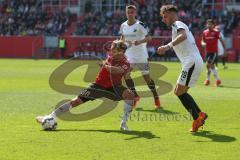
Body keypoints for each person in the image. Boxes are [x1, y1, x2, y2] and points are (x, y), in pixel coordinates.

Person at [36, 40, 135, 131]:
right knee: (76, 101)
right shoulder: (111, 57)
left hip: (114, 87)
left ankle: (123, 123)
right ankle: (50, 116)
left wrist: (105, 66)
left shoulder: (126, 63)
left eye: (113, 48)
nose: (110, 50)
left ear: (120, 51)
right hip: (98, 86)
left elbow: (117, 71)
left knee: (130, 95)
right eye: (111, 48)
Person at [157, 4, 208, 133]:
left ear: (172, 14)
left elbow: (183, 36)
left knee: (179, 92)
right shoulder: (177, 26)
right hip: (194, 61)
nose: (164, 20)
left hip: (191, 62)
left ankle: (196, 119)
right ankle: (200, 114)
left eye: (165, 16)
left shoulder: (177, 23)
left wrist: (167, 46)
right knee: (181, 91)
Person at [119, 4, 160, 109]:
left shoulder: (140, 24)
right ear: (126, 13)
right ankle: (135, 96)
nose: (130, 14)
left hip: (141, 55)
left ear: (135, 13)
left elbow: (149, 37)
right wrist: (119, 45)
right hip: (129, 55)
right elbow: (122, 38)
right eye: (128, 12)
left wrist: (140, 41)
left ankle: (156, 96)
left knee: (147, 78)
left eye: (132, 12)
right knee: (126, 74)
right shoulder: (123, 25)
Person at [201, 19, 226, 86]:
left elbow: (221, 40)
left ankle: (207, 80)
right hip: (207, 52)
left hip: (214, 52)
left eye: (210, 24)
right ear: (206, 25)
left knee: (208, 64)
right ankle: (217, 80)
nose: (209, 25)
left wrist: (224, 50)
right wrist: (203, 43)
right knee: (211, 66)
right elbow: (202, 41)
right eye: (208, 24)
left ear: (213, 25)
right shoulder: (204, 32)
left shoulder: (216, 32)